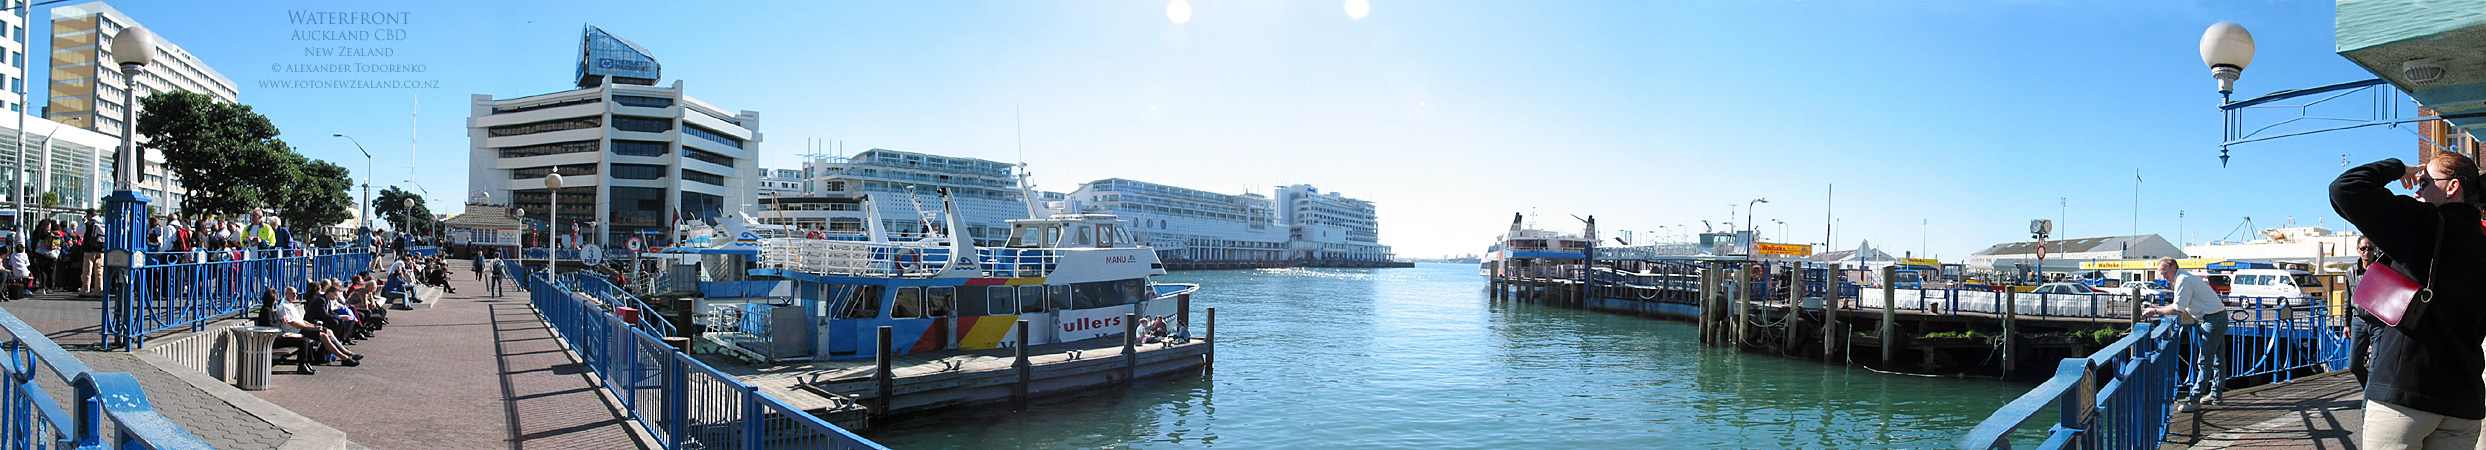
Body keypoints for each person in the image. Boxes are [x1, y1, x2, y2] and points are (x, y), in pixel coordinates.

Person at [2332, 155, 2486, 450]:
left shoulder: (2423, 223)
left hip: (2406, 392)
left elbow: (2345, 188)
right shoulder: (2482, 242)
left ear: (2453, 187)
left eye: (2425, 182)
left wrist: (2399, 168)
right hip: (2464, 402)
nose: (2417, 190)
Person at [2140, 256, 2225, 412]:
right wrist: (2158, 307)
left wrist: (2155, 311)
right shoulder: (2183, 278)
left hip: (2213, 319)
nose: (2163, 277)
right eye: (2161, 273)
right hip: (2217, 316)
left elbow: (2178, 308)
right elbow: (2179, 305)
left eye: (2164, 272)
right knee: (2217, 359)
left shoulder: (2183, 280)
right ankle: (2215, 394)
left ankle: (2195, 399)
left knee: (2205, 360)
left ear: (2174, 267)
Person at [2351, 236, 2381, 388]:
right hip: (2358, 321)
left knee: (2375, 366)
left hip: (2377, 323)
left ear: (2375, 250)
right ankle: (2368, 390)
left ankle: (2367, 403)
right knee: (2353, 364)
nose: (2367, 252)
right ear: (2358, 250)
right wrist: (2346, 323)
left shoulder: (2382, 269)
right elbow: (2347, 300)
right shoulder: (2352, 271)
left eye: (2370, 248)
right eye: (2363, 248)